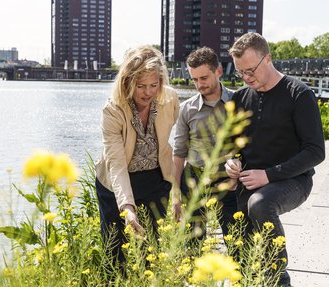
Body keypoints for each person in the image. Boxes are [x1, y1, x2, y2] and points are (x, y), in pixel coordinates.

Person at [225, 32, 325, 287]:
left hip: (293, 181)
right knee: (242, 249)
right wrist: (232, 162)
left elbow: (316, 152)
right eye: (240, 73)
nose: (247, 78)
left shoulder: (299, 94)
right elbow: (232, 146)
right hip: (249, 181)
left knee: (259, 204)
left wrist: (268, 175)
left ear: (267, 58)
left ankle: (280, 280)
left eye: (251, 70)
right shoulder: (239, 98)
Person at [95, 45, 179, 266]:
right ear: (127, 82)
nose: (148, 92)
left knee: (152, 251)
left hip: (155, 180)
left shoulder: (169, 100)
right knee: (115, 254)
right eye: (141, 86)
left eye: (154, 85)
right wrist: (128, 209)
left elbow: (178, 141)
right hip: (115, 184)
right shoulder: (112, 110)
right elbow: (116, 165)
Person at [172, 47, 238, 240]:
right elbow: (179, 153)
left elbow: (250, 146)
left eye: (204, 78)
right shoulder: (186, 109)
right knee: (192, 244)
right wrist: (176, 196)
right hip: (193, 181)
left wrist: (236, 179)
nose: (199, 84)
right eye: (194, 79)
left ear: (218, 71)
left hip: (228, 182)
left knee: (236, 242)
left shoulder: (239, 101)